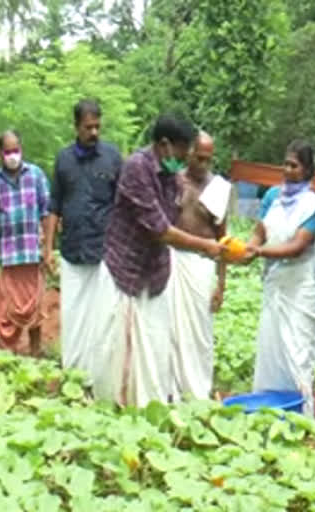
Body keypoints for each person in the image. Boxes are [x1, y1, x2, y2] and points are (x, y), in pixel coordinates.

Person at [90, 114, 225, 407]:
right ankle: (111, 408)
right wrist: (208, 246)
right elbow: (160, 229)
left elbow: (180, 221)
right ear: (164, 145)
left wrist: (218, 250)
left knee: (154, 350)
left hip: (155, 274)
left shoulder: (172, 177)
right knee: (114, 352)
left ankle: (148, 412)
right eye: (183, 151)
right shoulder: (136, 169)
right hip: (124, 270)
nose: (186, 159)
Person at [243, 139, 315, 416]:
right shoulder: (272, 197)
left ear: (306, 170)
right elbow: (259, 230)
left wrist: (259, 251)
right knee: (271, 348)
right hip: (275, 286)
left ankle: (301, 414)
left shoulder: (312, 205)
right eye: (286, 163)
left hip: (300, 288)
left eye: (294, 165)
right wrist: (250, 245)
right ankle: (269, 410)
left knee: (297, 352)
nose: (288, 170)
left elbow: (297, 246)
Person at [45, 100, 122, 377]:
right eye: (88, 127)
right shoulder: (63, 159)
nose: (93, 132)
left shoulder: (112, 157)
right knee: (74, 313)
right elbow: (54, 204)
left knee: (103, 315)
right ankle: (73, 373)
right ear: (76, 126)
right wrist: (47, 248)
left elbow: (122, 203)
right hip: (72, 249)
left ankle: (101, 374)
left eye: (97, 126)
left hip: (105, 249)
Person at [168, 131, 230, 400]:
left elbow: (223, 238)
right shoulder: (174, 182)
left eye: (208, 159)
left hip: (202, 266)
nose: (203, 164)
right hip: (172, 260)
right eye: (199, 157)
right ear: (189, 153)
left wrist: (221, 283)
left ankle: (198, 392)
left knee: (199, 332)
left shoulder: (218, 188)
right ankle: (170, 389)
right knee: (168, 328)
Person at [0, 130, 50, 357]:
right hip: (9, 254)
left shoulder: (36, 175)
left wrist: (47, 248)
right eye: (7, 151)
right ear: (0, 153)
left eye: (16, 150)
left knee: (35, 306)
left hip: (32, 253)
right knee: (5, 309)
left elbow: (46, 212)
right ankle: (5, 357)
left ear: (21, 148)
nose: (12, 155)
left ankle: (35, 353)